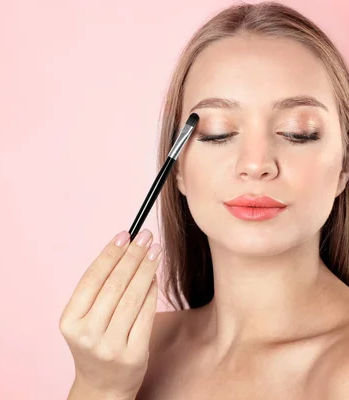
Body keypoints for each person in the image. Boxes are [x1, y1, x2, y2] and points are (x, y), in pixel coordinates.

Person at [59, 2, 349, 399]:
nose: (255, 165)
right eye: (216, 132)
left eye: (297, 132)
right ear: (177, 169)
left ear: (344, 168)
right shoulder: (130, 352)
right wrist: (98, 387)